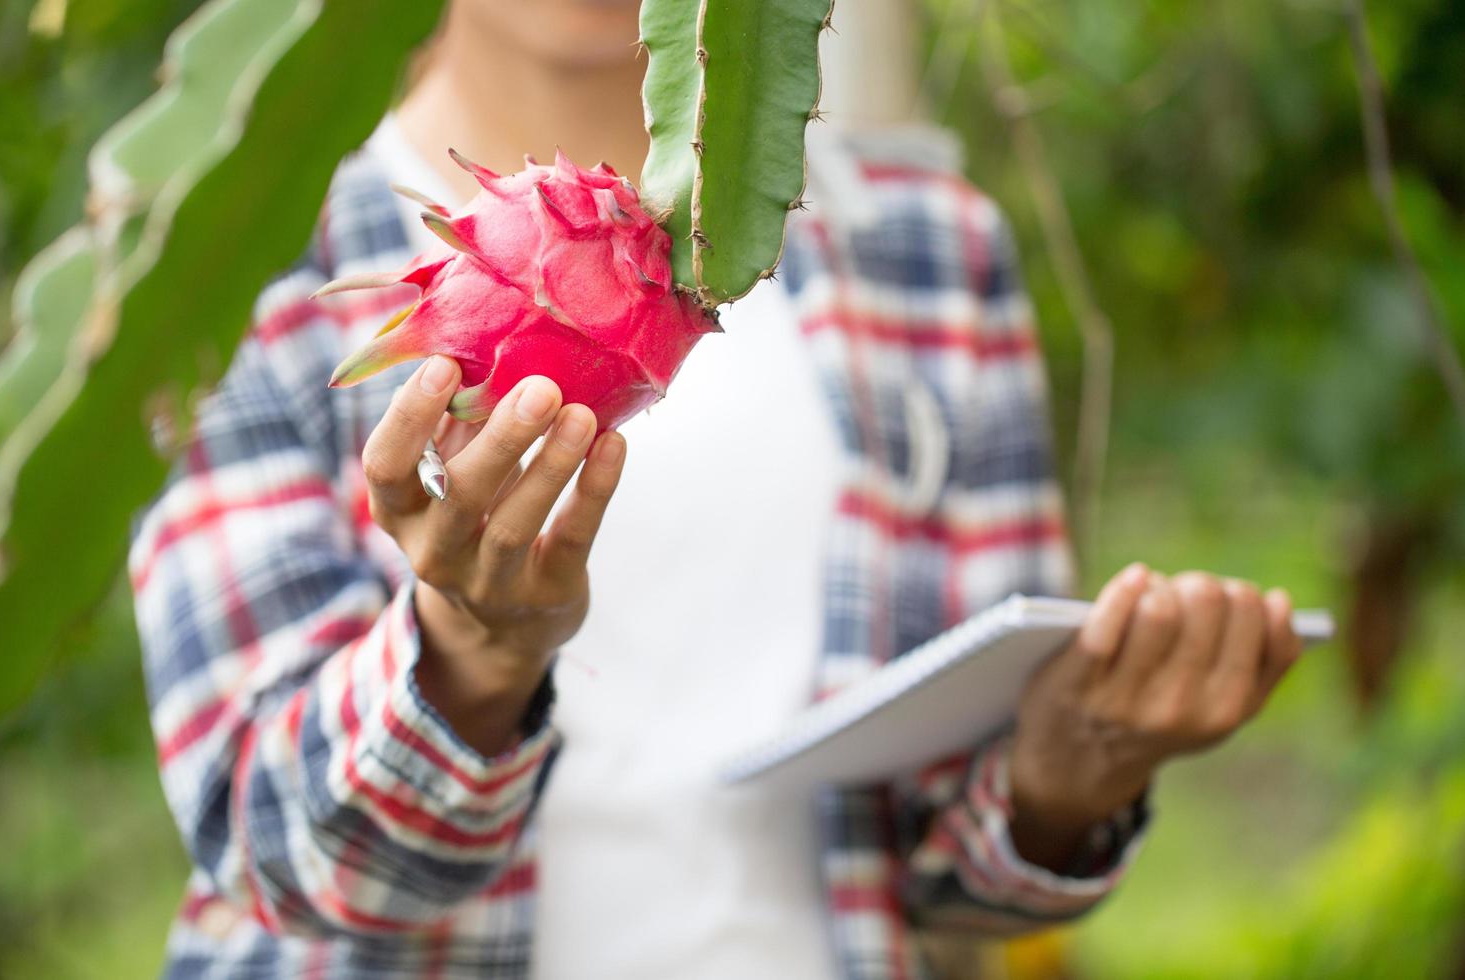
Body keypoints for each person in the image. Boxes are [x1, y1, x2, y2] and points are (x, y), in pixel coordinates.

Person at [130, 1, 1305, 977]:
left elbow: (956, 880)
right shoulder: (232, 288)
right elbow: (271, 858)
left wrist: (1069, 771)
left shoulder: (931, 250)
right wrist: (470, 657)